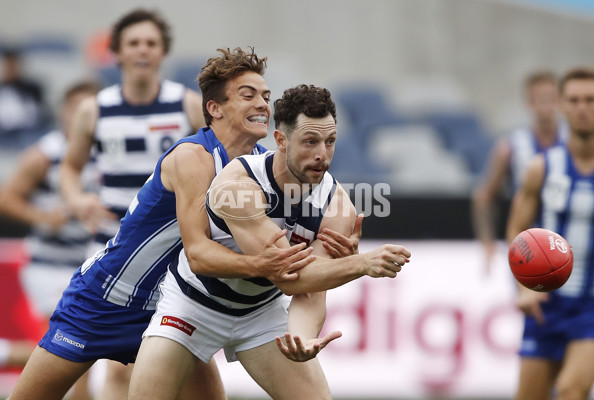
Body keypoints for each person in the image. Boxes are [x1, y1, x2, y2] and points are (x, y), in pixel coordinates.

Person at [8, 47, 359, 400]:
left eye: (266, 97)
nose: (263, 105)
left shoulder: (262, 165)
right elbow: (200, 254)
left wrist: (328, 248)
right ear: (214, 108)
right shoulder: (193, 157)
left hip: (174, 303)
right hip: (106, 297)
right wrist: (264, 265)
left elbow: (278, 239)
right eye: (248, 95)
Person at [128, 84, 411, 400]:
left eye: (330, 142)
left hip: (260, 313)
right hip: (193, 305)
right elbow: (288, 276)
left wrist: (302, 338)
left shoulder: (338, 206)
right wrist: (361, 263)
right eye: (310, 141)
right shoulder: (238, 186)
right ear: (281, 140)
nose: (322, 154)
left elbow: (309, 294)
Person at [57, 8, 206, 399]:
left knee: (181, 365)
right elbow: (70, 168)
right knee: (114, 369)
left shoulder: (187, 105)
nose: (143, 51)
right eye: (134, 43)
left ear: (163, 52)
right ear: (118, 52)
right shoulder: (94, 109)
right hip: (113, 248)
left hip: (172, 254)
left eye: (151, 43)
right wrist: (77, 199)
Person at [0, 81, 99, 400]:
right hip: (51, 266)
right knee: (73, 349)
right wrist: (43, 217)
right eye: (76, 108)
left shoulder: (109, 151)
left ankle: (4, 353)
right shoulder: (45, 154)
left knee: (72, 352)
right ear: (64, 112)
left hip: (93, 266)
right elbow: (7, 198)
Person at [506, 67, 594, 400]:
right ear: (562, 105)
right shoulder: (542, 168)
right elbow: (518, 229)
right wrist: (524, 288)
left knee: (572, 391)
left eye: (591, 99)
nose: (582, 108)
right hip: (546, 304)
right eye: (574, 100)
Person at [472, 70, 566, 273]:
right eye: (539, 99)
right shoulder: (511, 146)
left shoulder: (574, 143)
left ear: (559, 101)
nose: (545, 105)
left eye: (550, 99)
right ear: (529, 103)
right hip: (528, 248)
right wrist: (487, 245)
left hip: (569, 242)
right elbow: (484, 197)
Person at [0, 46, 49, 148]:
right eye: (8, 65)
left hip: (27, 130)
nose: (11, 69)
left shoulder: (32, 88)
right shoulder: (3, 88)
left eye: (13, 65)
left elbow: (39, 112)